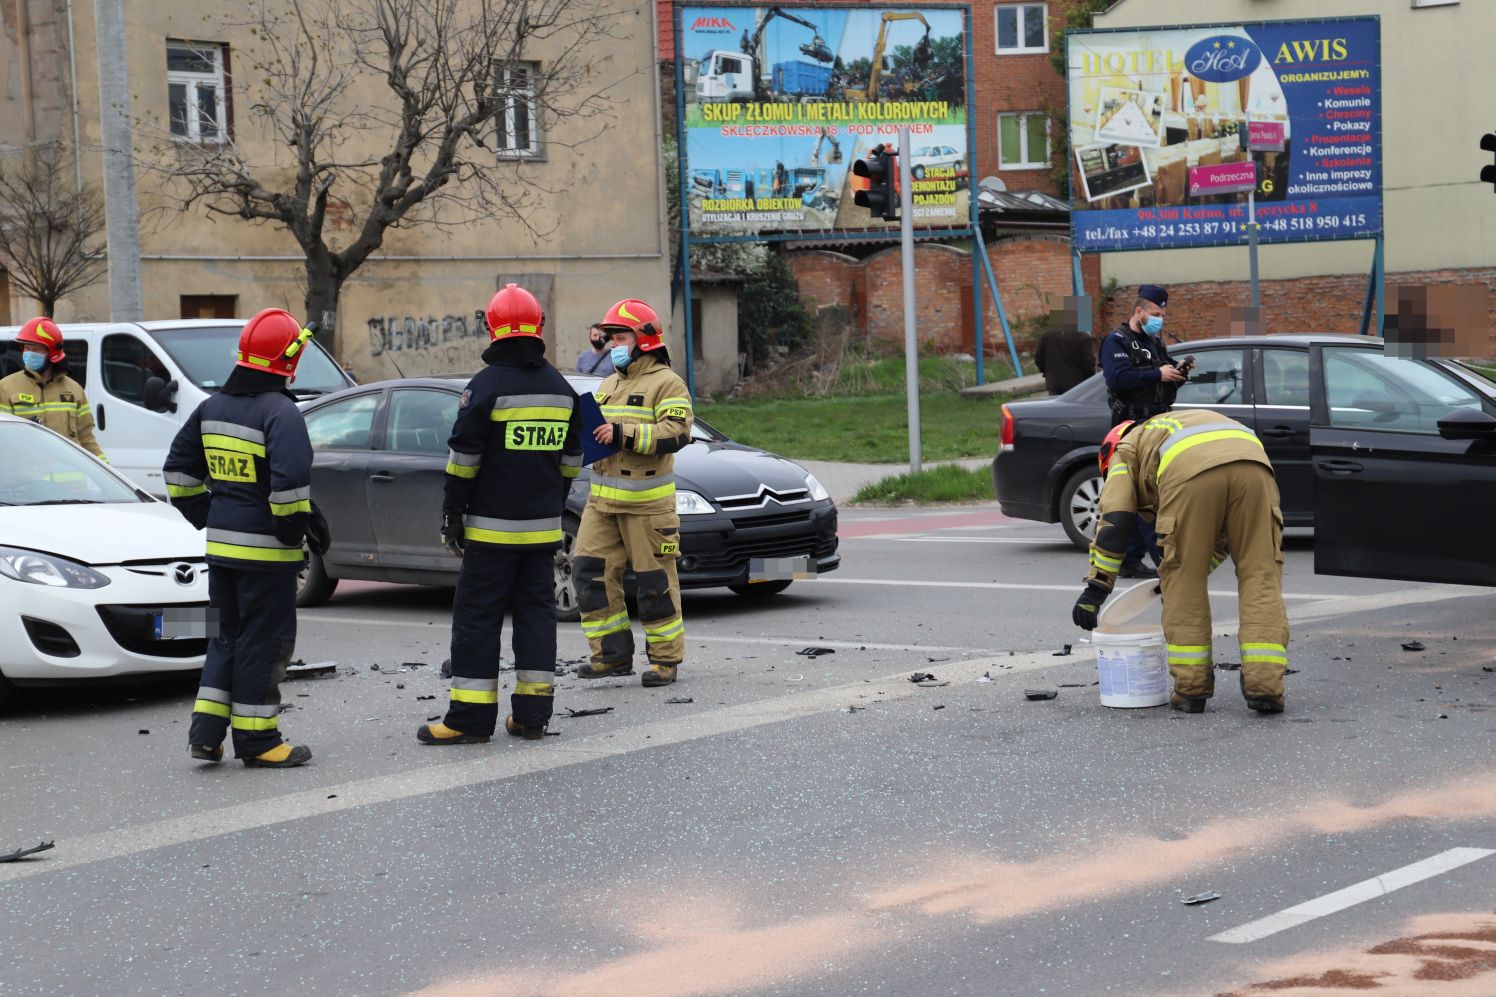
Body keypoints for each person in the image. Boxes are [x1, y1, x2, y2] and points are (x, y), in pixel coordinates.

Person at [417, 284, 583, 745]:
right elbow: (572, 461)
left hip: (490, 534)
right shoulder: (561, 389)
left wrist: (453, 514)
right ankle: (532, 716)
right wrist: (549, 501)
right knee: (536, 619)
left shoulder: (485, 386)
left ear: (492, 328)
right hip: (542, 531)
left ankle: (468, 721)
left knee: (477, 621)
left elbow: (463, 460)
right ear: (538, 328)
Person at [164, 309, 321, 768]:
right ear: (286, 360)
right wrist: (293, 536)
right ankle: (257, 740)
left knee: (225, 639)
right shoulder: (280, 411)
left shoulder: (211, 407)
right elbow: (290, 486)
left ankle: (207, 735)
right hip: (267, 556)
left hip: (222, 551)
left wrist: (210, 514)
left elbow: (177, 471)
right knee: (264, 642)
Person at [1072, 409, 1289, 714]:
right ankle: (1264, 686)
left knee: (1184, 581)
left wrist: (1097, 587)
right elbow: (1220, 539)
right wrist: (1198, 563)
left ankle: (1191, 689)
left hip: (1190, 473)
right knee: (1260, 575)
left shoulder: (1124, 450)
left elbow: (1116, 520)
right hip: (1255, 466)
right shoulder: (1174, 426)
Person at [574, 298, 693, 688]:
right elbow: (596, 435)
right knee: (589, 574)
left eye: (619, 336)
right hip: (601, 502)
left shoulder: (667, 383)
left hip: (646, 507)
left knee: (654, 583)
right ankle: (611, 656)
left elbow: (676, 434)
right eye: (609, 338)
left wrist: (622, 433)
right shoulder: (609, 384)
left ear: (644, 338)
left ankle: (664, 661)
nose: (612, 345)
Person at [1099, 284, 1186, 577]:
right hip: (1131, 427)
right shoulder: (1117, 342)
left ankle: (1130, 559)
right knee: (1145, 493)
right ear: (1140, 311)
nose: (1161, 318)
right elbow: (1119, 380)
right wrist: (1157, 374)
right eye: (1156, 313)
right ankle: (1163, 561)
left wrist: (1178, 372)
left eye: (1163, 314)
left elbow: (1165, 370)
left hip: (1157, 425)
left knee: (1141, 494)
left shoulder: (1154, 342)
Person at [0, 317, 106, 459]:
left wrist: (105, 471)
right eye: (26, 348)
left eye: (36, 349)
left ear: (52, 353)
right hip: (29, 479)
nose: (29, 353)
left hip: (70, 479)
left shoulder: (74, 390)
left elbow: (87, 439)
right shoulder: (6, 388)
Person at [1034, 298, 1096, 396]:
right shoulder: (1082, 336)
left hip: (1053, 383)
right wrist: (1090, 378)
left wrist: (1047, 372)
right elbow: (1088, 362)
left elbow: (1038, 358)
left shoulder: (1047, 335)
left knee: (1056, 410)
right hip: (1077, 385)